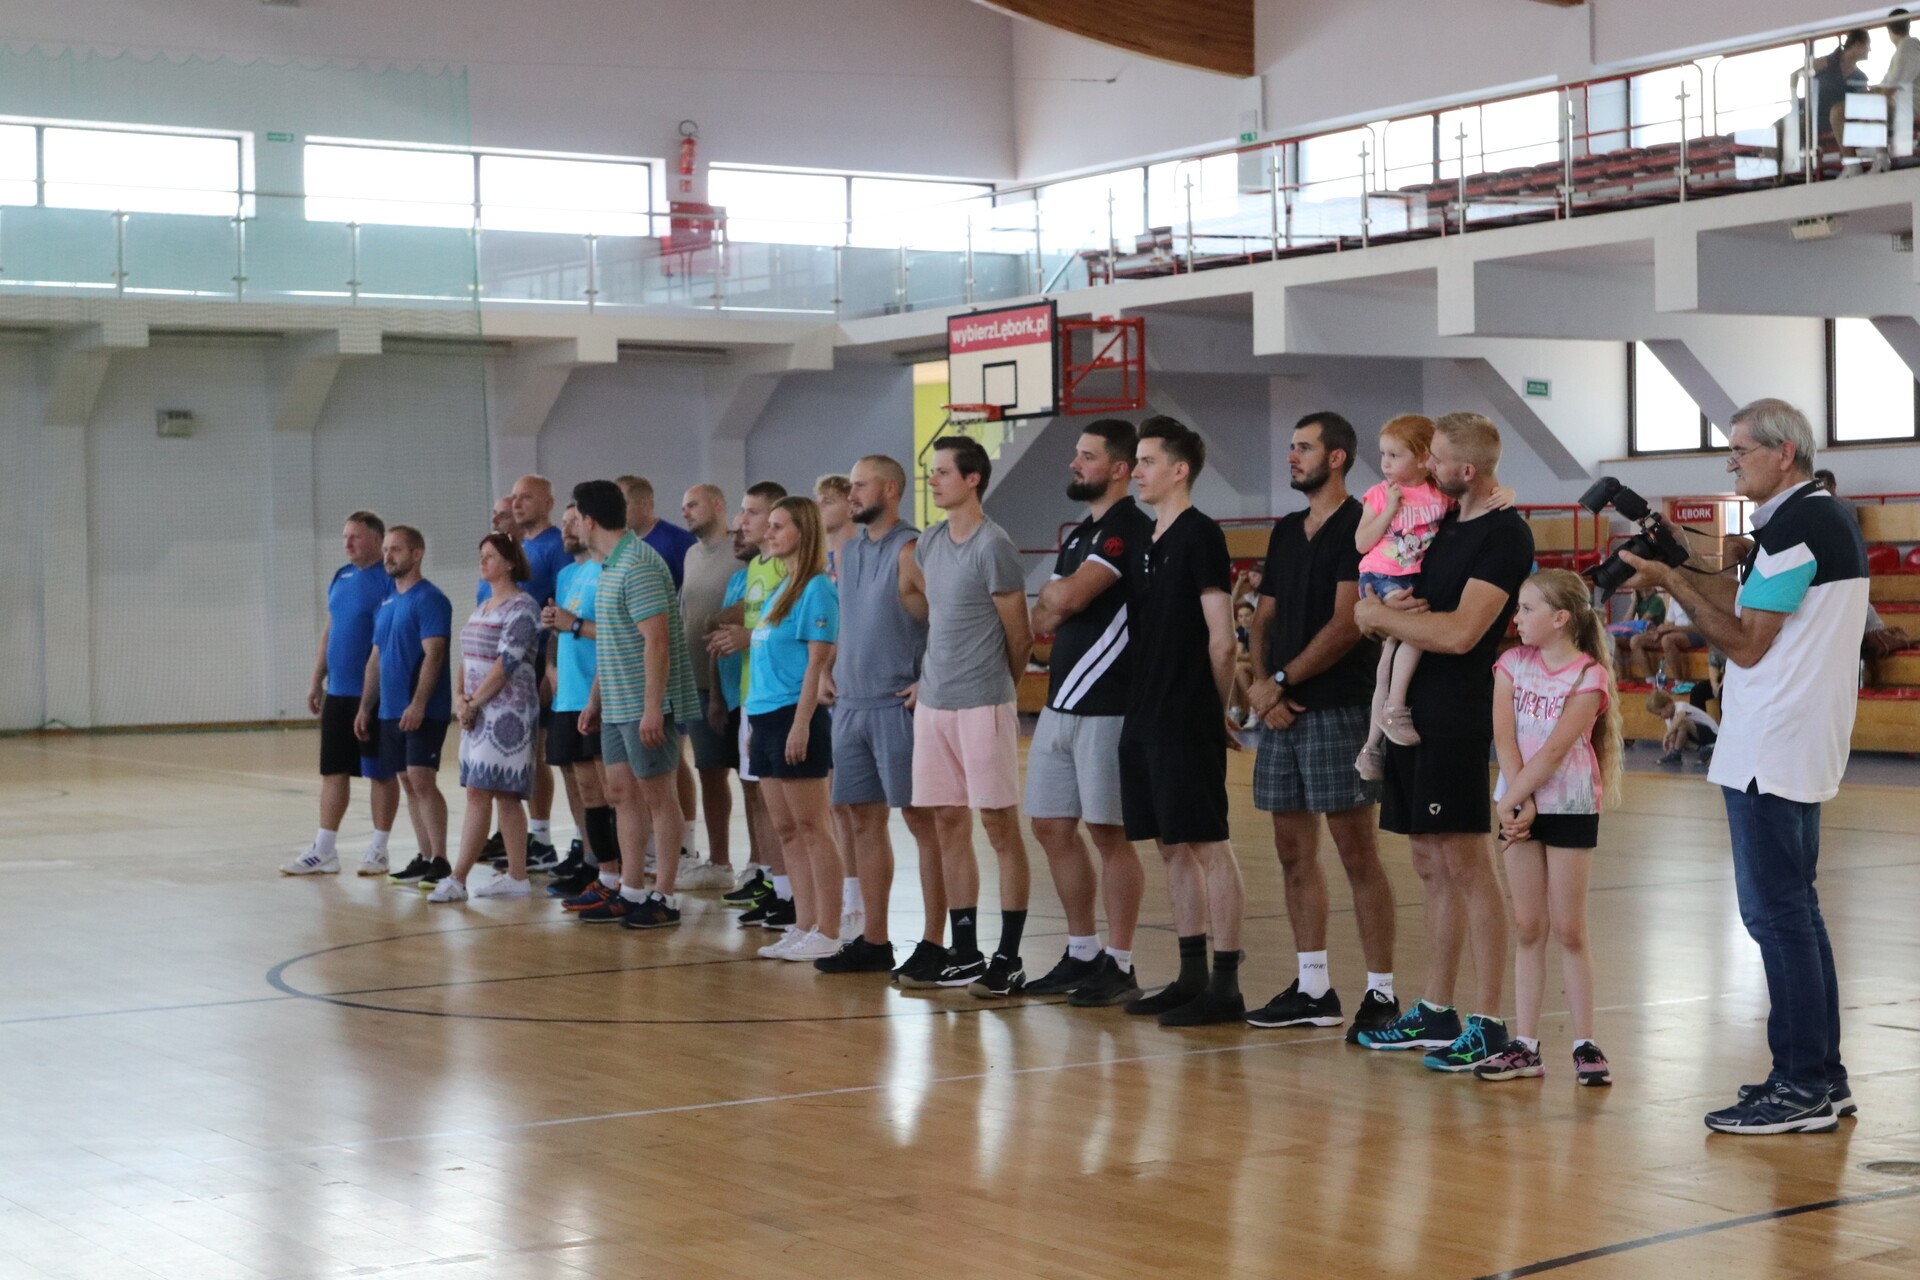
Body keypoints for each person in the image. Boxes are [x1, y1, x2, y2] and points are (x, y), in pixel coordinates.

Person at [1619, 399, 1869, 1135]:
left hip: (1772, 742)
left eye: (1741, 451)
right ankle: (1822, 1076)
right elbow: (1745, 603)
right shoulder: (1815, 520)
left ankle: (1800, 1084)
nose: (1731, 463)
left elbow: (1746, 642)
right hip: (1795, 736)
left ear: (1784, 453)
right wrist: (1682, 565)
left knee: (1776, 916)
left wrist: (1670, 582)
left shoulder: (1795, 528)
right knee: (1796, 912)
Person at [1354, 412, 1533, 1070]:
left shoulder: (1504, 534)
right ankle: (1436, 1009)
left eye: (1438, 458)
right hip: (1408, 709)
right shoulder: (1441, 518)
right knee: (1429, 863)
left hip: (1454, 714)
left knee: (1466, 864)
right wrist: (1378, 613)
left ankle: (1488, 1021)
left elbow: (1460, 633)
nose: (1426, 465)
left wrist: (1374, 615)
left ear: (1468, 469)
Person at [1243, 412, 1401, 1040]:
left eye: (1304, 447)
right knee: (1291, 851)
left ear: (1336, 457)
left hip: (1337, 706)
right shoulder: (1286, 530)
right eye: (1290, 446)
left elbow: (1345, 624)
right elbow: (1262, 617)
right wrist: (1264, 688)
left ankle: (1381, 992)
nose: (1292, 456)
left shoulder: (1359, 526)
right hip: (1280, 711)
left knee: (1357, 852)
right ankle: (1313, 987)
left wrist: (1280, 683)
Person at [1119, 416, 1247, 1027]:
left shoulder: (1202, 535)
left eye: (1147, 461)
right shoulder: (1147, 539)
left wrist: (1213, 711)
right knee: (1170, 846)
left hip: (1184, 714)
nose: (1137, 471)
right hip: (1143, 714)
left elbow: (1223, 641)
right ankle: (1190, 974)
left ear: (1179, 469)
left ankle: (1226, 985)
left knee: (1208, 844)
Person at [1472, 570, 1622, 1086]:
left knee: (1569, 929)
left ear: (1560, 618)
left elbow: (1557, 748)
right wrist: (1518, 800)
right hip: (1517, 803)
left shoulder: (1588, 677)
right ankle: (1526, 1046)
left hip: (1570, 804)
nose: (1516, 618)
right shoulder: (1511, 664)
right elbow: (1504, 737)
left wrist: (1517, 798)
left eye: (1527, 609)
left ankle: (1585, 1043)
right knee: (1528, 927)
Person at [1022, 420, 1153, 1007]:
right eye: (1077, 454)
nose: (1075, 464)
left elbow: (1067, 598)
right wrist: (1059, 597)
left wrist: (1062, 596)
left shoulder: (1128, 528)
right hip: (1059, 703)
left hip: (1108, 705)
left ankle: (1119, 962)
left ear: (1119, 468)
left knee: (1108, 833)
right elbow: (1042, 616)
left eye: (1087, 456)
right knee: (1050, 825)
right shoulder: (1082, 533)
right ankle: (1081, 951)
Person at [898, 435, 1034, 996]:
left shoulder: (993, 545)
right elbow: (935, 611)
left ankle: (1010, 956)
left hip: (983, 703)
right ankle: (966, 951)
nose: (933, 480)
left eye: (943, 472)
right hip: (934, 705)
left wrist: (998, 690)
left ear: (972, 479)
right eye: (932, 472)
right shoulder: (930, 542)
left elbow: (1020, 636)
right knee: (947, 822)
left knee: (999, 826)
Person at [817, 455, 946, 978]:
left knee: (922, 821)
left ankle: (935, 942)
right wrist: (828, 667)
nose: (851, 494)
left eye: (860, 485)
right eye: (849, 485)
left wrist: (930, 678)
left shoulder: (911, 549)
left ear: (890, 490)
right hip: (851, 704)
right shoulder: (848, 551)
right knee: (861, 820)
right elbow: (849, 621)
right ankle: (874, 940)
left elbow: (953, 618)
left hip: (897, 705)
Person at [577, 478, 703, 929]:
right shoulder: (610, 566)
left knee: (658, 797)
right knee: (621, 794)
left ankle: (665, 895)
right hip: (615, 703)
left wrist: (654, 707)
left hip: (643, 703)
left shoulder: (640, 564)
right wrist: (595, 699)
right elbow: (612, 641)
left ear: (589, 520)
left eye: (576, 517)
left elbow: (657, 642)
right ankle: (630, 889)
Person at [747, 497, 846, 962]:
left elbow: (816, 664)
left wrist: (802, 724)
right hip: (765, 716)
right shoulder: (780, 588)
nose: (768, 533)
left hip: (794, 715)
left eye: (777, 526)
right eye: (768, 525)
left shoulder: (817, 589)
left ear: (802, 532)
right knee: (786, 829)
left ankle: (829, 930)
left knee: (813, 827)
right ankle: (803, 924)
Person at [286, 511, 399, 876]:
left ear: (377, 540)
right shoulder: (341, 576)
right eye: (345, 536)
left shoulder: (389, 581)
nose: (347, 543)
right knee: (333, 770)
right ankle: (324, 849)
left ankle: (378, 849)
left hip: (376, 694)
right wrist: (316, 679)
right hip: (338, 692)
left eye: (356, 536)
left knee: (381, 772)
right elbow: (331, 631)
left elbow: (387, 640)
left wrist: (371, 696)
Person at [430, 533, 541, 902]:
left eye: (490, 555)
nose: (483, 561)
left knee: (488, 791)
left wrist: (474, 702)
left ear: (509, 563)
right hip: (477, 711)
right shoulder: (483, 607)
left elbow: (506, 662)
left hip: (507, 713)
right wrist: (460, 699)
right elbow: (467, 659)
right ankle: (517, 876)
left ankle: (458, 878)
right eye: (481, 555)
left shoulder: (523, 607)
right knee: (496, 793)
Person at [708, 482, 793, 927]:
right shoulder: (756, 568)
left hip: (780, 698)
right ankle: (775, 882)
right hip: (750, 694)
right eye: (742, 512)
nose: (742, 522)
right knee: (758, 794)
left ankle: (796, 893)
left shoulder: (786, 567)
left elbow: (788, 630)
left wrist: (747, 634)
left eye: (752, 513)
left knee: (786, 805)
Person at [1351, 415, 1454, 772]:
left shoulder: (1439, 495)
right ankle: (1395, 707)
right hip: (1381, 576)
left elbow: (1476, 498)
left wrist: (1506, 493)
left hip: (1413, 579)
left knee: (1389, 658)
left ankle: (1371, 747)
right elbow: (1362, 542)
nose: (1385, 463)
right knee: (1415, 631)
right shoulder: (1381, 493)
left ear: (1424, 458)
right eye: (1383, 454)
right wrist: (1391, 509)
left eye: (1395, 456)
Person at [355, 526, 453, 886]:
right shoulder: (387, 603)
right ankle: (424, 856)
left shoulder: (430, 599)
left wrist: (419, 703)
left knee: (421, 779)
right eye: (385, 549)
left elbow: (435, 653)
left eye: (395, 549)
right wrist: (365, 707)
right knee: (407, 781)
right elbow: (376, 659)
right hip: (389, 710)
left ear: (417, 553)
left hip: (422, 709)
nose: (387, 556)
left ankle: (440, 858)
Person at [539, 504, 620, 899]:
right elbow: (560, 629)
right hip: (567, 696)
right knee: (583, 789)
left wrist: (570, 623)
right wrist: (550, 665)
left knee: (612, 791)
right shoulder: (567, 574)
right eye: (564, 522)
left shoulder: (608, 571)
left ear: (591, 523)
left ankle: (622, 872)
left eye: (573, 520)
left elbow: (615, 631)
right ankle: (594, 864)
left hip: (599, 694)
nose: (566, 528)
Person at [675, 483, 740, 890]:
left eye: (693, 505)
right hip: (698, 681)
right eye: (683, 507)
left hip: (737, 681)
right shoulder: (689, 555)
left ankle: (766, 866)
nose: (685, 512)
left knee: (752, 780)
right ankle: (719, 860)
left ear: (718, 505)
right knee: (710, 773)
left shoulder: (741, 551)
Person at [509, 475, 572, 869]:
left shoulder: (555, 547)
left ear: (548, 502)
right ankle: (538, 837)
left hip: (544, 660)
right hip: (515, 662)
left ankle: (563, 841)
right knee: (526, 752)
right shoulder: (519, 548)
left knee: (552, 753)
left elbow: (564, 609)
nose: (517, 503)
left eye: (526, 497)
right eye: (514, 497)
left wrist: (551, 665)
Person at [816, 471, 865, 932]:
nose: (821, 508)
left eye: (828, 500)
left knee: (853, 800)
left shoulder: (858, 553)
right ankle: (846, 885)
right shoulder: (818, 559)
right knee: (831, 798)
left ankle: (860, 889)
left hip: (854, 681)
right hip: (824, 682)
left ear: (850, 505)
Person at [619, 475, 698, 590]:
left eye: (622, 504)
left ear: (644, 504)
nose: (617, 511)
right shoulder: (622, 544)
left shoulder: (678, 540)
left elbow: (696, 589)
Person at [1626, 591, 1703, 686]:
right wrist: (1659, 631)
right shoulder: (1674, 598)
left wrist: (1671, 628)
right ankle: (1650, 680)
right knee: (1636, 640)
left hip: (1697, 634)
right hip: (1675, 632)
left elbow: (1699, 628)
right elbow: (1669, 622)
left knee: (1667, 640)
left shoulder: (1698, 597)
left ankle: (1679, 682)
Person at [1812, 29, 1872, 142]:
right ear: (1858, 44)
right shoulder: (1827, 62)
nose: (1870, 50)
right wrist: (1796, 104)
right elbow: (1797, 75)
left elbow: (1865, 107)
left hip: (1843, 129)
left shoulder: (1861, 78)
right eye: (1868, 45)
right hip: (1816, 124)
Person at [1646, 688, 1718, 766]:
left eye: (1660, 713)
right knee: (1675, 736)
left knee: (1682, 724)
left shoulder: (1681, 706)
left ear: (1668, 706)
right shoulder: (1668, 719)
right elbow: (1672, 737)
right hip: (1699, 737)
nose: (1660, 717)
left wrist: (1667, 734)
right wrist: (1670, 750)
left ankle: (1677, 754)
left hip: (1712, 734)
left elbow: (1680, 718)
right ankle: (1703, 750)